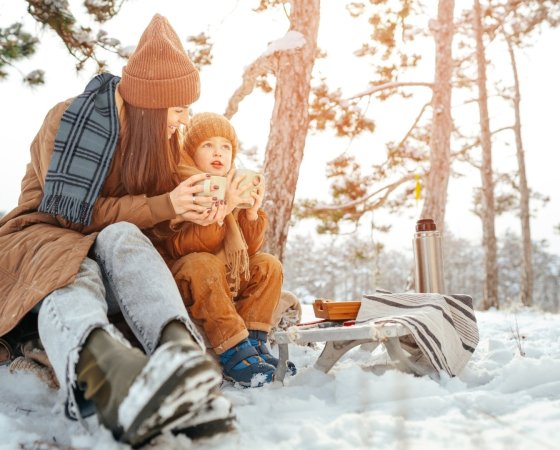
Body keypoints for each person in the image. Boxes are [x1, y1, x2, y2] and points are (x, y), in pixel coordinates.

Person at [0, 15, 234, 447]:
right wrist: (163, 205)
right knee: (72, 267)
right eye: (178, 109)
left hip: (102, 246)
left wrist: (202, 208)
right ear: (152, 104)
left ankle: (182, 364)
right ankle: (111, 379)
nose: (182, 121)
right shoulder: (73, 119)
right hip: (41, 239)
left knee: (124, 236)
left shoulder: (161, 144)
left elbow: (146, 221)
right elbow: (70, 215)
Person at [153, 112, 293, 387]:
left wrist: (251, 213)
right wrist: (223, 208)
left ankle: (254, 343)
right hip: (187, 278)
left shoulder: (233, 185)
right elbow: (187, 246)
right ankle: (233, 350)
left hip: (224, 278)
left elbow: (249, 250)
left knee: (268, 264)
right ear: (192, 151)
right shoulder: (182, 184)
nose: (218, 152)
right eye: (207, 145)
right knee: (204, 263)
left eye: (225, 147)